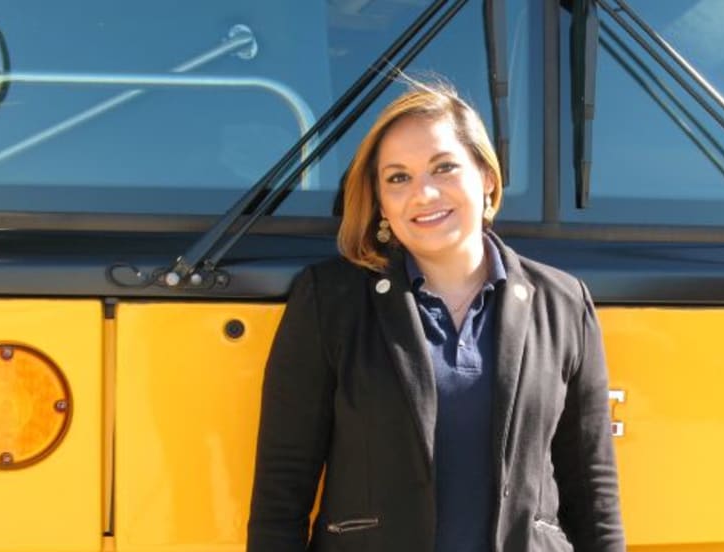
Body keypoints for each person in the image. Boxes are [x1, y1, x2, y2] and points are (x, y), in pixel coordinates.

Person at [247, 79, 624, 552]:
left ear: (487, 178)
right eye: (398, 178)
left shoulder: (563, 303)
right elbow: (280, 496)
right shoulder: (329, 300)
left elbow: (593, 498)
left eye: (444, 168)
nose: (423, 193)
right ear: (381, 202)